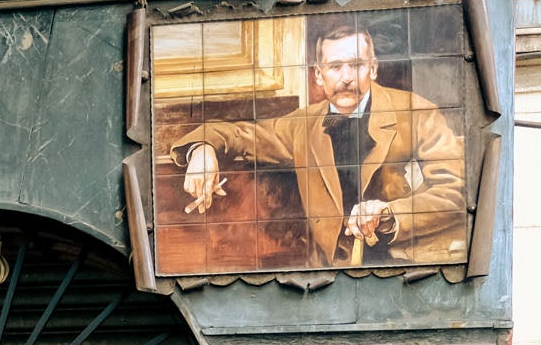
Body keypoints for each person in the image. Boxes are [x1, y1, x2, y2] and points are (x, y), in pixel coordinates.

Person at [172, 22, 468, 268]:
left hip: (404, 272)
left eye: (356, 65)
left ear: (373, 68)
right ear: (318, 74)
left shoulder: (418, 112)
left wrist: (391, 214)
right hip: (329, 278)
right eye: (335, 66)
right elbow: (238, 135)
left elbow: (455, 191)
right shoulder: (303, 126)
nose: (347, 78)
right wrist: (202, 149)